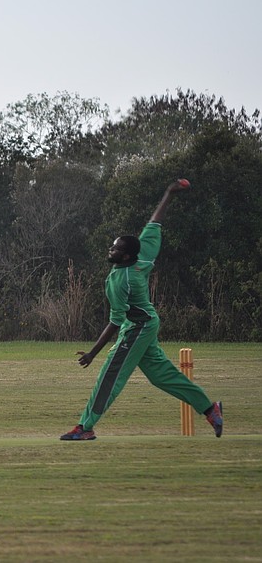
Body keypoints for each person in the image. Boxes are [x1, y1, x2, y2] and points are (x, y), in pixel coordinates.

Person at [61, 179, 223, 441]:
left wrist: (92, 353)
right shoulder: (142, 255)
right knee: (161, 376)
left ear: (125, 256)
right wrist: (168, 193)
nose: (111, 249)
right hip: (145, 323)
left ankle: (85, 427)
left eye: (116, 248)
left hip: (137, 327)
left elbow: (115, 322)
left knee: (111, 374)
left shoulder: (121, 280)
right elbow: (154, 222)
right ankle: (209, 408)